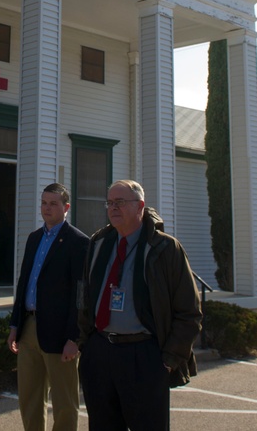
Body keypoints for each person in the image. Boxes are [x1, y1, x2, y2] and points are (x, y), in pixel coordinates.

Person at [77, 180, 202, 431]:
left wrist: (167, 360)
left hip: (144, 356)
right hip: (100, 354)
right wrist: (85, 344)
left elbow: (189, 311)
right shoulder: (99, 243)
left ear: (140, 206)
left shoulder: (164, 248)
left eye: (120, 202)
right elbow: (85, 297)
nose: (113, 208)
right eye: (110, 203)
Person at [6, 182, 88, 431]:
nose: (47, 208)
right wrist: (14, 324)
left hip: (60, 333)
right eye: (44, 203)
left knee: (64, 404)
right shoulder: (33, 239)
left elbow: (81, 294)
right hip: (29, 328)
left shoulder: (78, 242)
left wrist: (74, 337)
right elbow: (24, 284)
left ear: (66, 207)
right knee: (29, 399)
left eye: (53, 203)